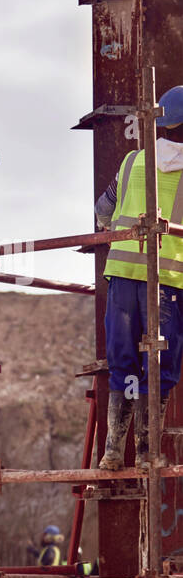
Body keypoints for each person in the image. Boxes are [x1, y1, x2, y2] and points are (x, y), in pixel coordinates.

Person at [95, 85, 183, 468]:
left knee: (124, 360)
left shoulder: (133, 162)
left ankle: (113, 451)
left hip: (122, 277)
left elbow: (103, 210)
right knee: (159, 364)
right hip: (166, 283)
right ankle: (147, 453)